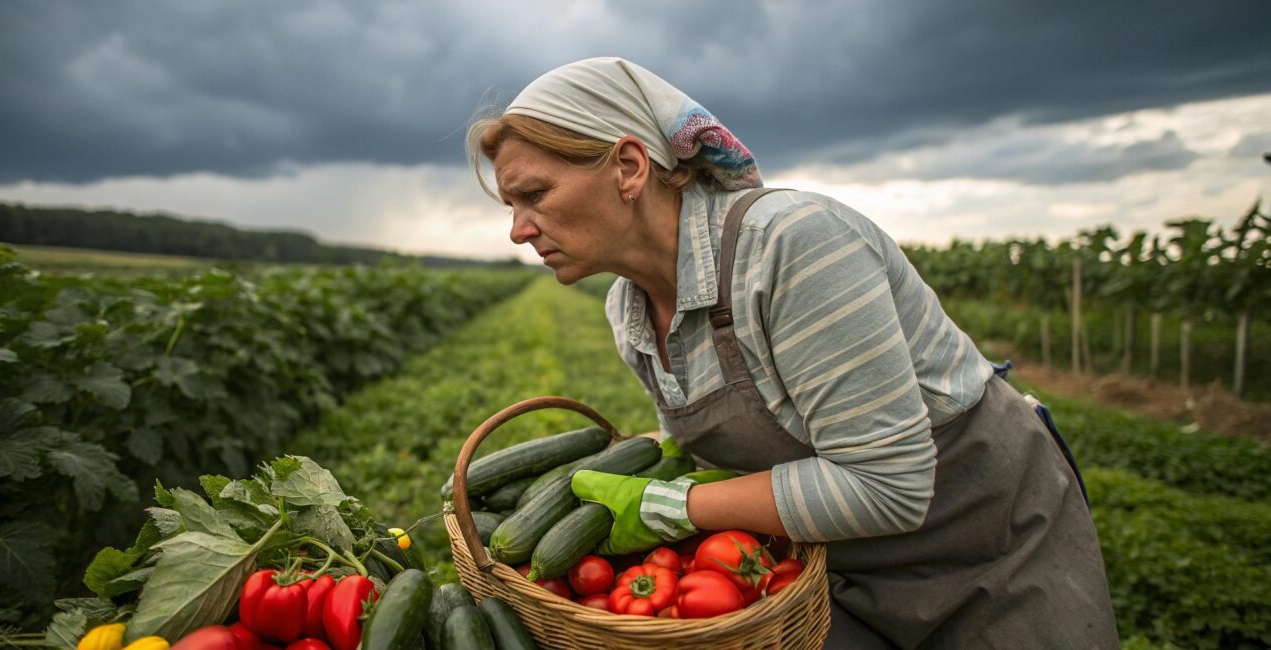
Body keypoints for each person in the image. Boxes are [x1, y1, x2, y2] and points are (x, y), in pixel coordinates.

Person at [467, 57, 1118, 649]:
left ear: (629, 167)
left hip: (984, 550)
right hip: (834, 564)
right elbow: (719, 460)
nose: (519, 230)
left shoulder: (792, 247)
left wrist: (672, 506)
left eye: (535, 195)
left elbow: (889, 486)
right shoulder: (628, 309)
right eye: (511, 206)